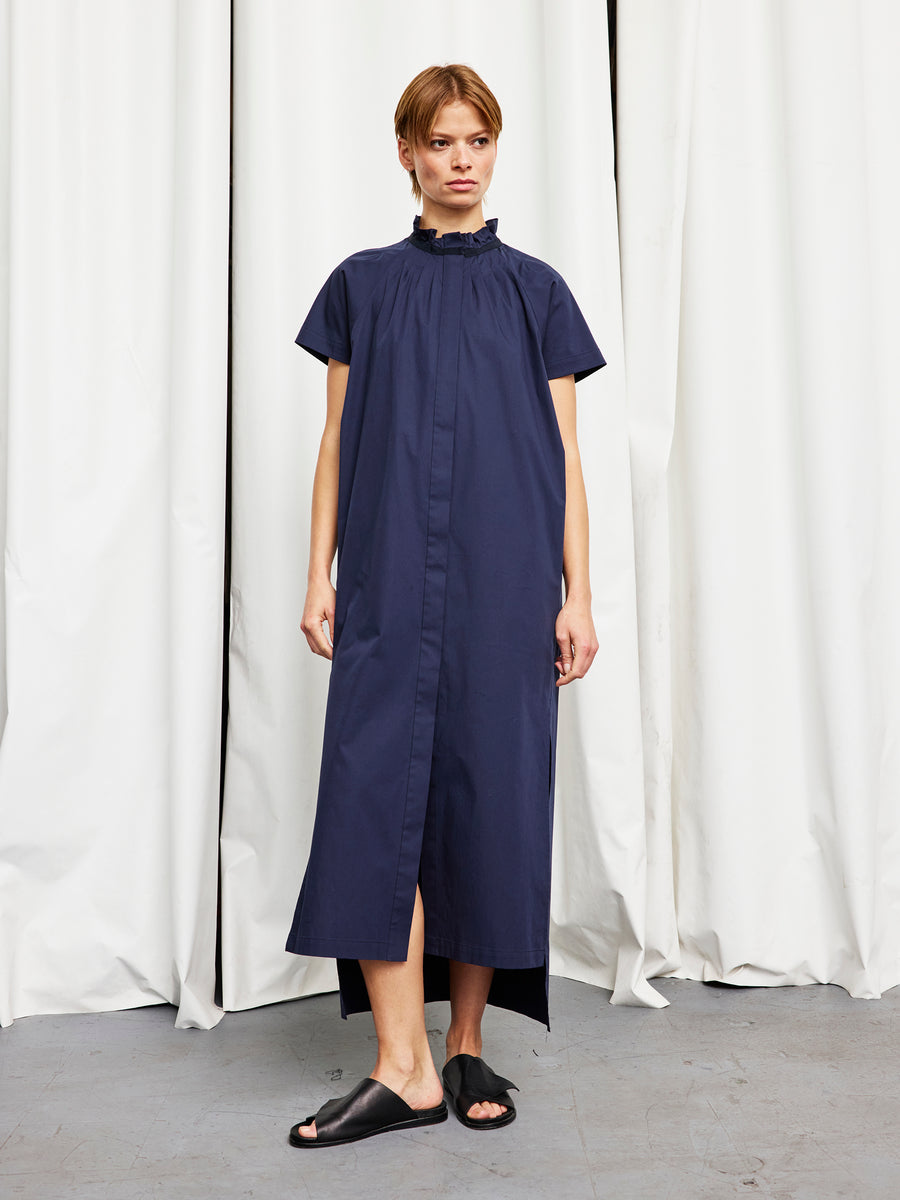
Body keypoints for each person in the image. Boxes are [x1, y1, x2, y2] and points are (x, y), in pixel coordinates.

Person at [286, 63, 605, 1148]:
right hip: (384, 582)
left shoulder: (537, 290)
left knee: (489, 810)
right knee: (378, 811)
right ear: (408, 154)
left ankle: (463, 1044)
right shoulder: (360, 286)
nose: (460, 158)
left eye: (477, 140)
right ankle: (401, 1063)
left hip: (506, 586)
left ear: (493, 150)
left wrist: (580, 596)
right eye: (441, 141)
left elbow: (564, 456)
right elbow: (335, 443)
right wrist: (319, 572)